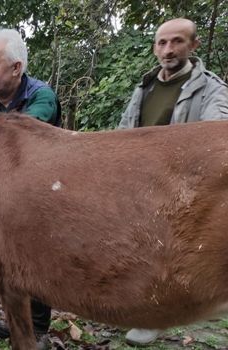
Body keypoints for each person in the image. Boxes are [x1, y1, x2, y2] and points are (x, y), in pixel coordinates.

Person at [118, 18, 228, 346]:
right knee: (143, 251)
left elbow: (217, 139)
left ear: (193, 46)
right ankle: (146, 310)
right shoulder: (145, 87)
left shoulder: (212, 89)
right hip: (143, 184)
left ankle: (161, 314)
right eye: (162, 43)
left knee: (174, 254)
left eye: (177, 42)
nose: (168, 50)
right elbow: (125, 133)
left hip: (184, 189)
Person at [0, 28, 60, 348]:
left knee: (37, 258)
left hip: (41, 191)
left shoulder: (41, 95)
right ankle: (14, 321)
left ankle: (39, 328)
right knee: (6, 260)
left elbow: (24, 130)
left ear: (16, 68)